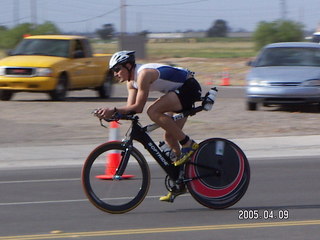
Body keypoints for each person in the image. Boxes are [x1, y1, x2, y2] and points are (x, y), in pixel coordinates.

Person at [95, 50, 202, 202]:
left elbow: (138, 107)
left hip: (189, 87)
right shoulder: (131, 84)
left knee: (153, 111)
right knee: (170, 137)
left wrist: (113, 110)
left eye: (117, 69)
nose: (115, 74)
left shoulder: (143, 74)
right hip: (176, 92)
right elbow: (130, 109)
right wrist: (111, 114)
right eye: (113, 71)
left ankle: (189, 144)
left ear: (128, 66)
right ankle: (180, 180)